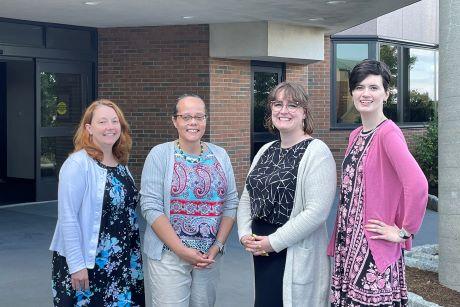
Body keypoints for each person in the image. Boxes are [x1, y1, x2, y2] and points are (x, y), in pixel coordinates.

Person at [327, 59, 428, 306]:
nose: (365, 93)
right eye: (359, 87)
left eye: (373, 87)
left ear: (386, 93)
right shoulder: (355, 135)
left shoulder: (388, 133)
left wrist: (404, 231)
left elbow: (417, 185)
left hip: (373, 246)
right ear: (351, 93)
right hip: (348, 242)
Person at [237, 82, 337, 307]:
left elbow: (316, 213)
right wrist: (244, 233)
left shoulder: (317, 152)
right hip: (260, 247)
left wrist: (272, 242)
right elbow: (247, 196)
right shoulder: (266, 150)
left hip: (290, 248)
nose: (284, 110)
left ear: (304, 112)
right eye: (277, 104)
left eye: (293, 104)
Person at [140, 94, 238, 307]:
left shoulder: (220, 155)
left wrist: (218, 246)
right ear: (175, 121)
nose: (193, 122)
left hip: (208, 258)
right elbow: (151, 207)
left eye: (199, 116)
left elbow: (231, 203)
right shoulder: (159, 155)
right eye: (186, 117)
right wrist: (182, 250)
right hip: (169, 256)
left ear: (205, 120)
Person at [49, 99, 145, 306]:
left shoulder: (121, 165)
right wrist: (76, 265)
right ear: (89, 128)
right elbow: (68, 218)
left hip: (123, 262)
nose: (110, 127)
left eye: (114, 121)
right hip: (89, 263)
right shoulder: (77, 164)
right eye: (102, 122)